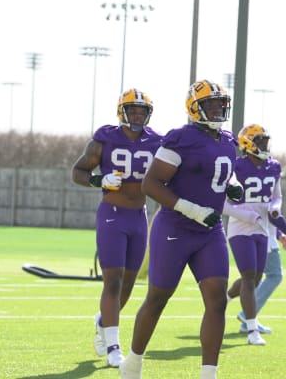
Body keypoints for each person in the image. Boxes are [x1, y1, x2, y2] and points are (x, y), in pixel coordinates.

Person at [120, 80, 242, 379]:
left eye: (220, 103)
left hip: (209, 233)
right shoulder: (181, 138)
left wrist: (234, 184)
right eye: (210, 104)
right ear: (194, 107)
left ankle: (208, 374)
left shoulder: (227, 139)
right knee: (158, 298)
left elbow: (223, 171)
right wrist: (193, 210)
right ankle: (133, 362)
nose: (217, 108)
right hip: (175, 228)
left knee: (216, 301)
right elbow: (151, 184)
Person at [71, 89, 162, 367]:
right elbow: (78, 172)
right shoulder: (105, 138)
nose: (137, 115)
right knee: (112, 280)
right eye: (132, 110)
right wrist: (100, 180)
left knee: (129, 284)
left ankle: (102, 320)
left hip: (138, 217)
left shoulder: (157, 141)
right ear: (122, 111)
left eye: (141, 111)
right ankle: (113, 345)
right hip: (112, 214)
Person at [222, 124, 286, 345]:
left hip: (263, 228)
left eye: (266, 141)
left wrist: (275, 208)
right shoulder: (237, 167)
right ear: (248, 144)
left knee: (255, 278)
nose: (265, 146)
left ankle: (225, 299)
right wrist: (248, 216)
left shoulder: (273, 166)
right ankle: (252, 329)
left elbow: (277, 196)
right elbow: (222, 204)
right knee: (248, 277)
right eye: (260, 141)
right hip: (240, 228)